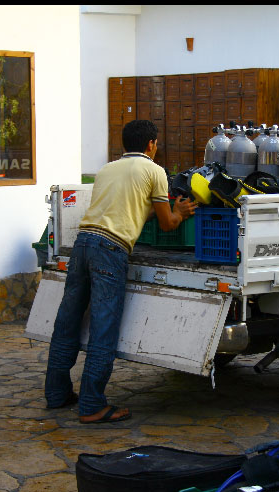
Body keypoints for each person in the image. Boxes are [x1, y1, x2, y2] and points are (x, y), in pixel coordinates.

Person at [45, 119, 197, 424]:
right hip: (110, 249)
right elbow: (167, 223)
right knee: (104, 327)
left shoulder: (107, 169)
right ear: (152, 144)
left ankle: (56, 394)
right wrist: (179, 212)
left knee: (68, 321)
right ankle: (91, 404)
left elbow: (130, 205)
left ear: (123, 144)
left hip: (83, 243)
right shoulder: (155, 171)